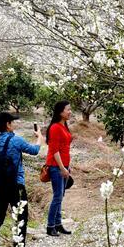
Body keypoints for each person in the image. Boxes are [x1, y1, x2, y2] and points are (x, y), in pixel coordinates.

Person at [0, 111, 44, 247]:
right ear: (8, 125)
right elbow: (35, 151)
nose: (14, 123)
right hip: (15, 185)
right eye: (13, 121)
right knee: (21, 218)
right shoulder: (15, 140)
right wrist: (39, 137)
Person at [44, 101, 73, 236]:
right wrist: (62, 167)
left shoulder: (64, 126)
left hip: (63, 165)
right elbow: (54, 150)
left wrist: (68, 166)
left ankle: (58, 224)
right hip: (56, 166)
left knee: (60, 196)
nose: (70, 112)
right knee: (57, 196)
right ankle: (50, 226)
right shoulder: (55, 127)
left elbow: (64, 148)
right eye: (68, 109)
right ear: (61, 112)